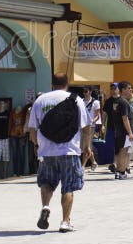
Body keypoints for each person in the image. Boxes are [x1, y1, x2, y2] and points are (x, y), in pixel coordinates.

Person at [28, 73, 92, 232]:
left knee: (47, 182)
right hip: (69, 150)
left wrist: (37, 145)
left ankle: (45, 206)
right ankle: (65, 221)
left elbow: (32, 129)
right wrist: (86, 146)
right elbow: (86, 127)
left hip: (47, 151)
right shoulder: (76, 100)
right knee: (68, 187)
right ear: (67, 83)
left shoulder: (40, 100)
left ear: (52, 83)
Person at [105, 82, 132, 179]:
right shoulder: (123, 102)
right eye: (129, 88)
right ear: (123, 90)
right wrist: (130, 133)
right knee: (123, 152)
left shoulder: (116, 102)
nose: (131, 90)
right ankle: (122, 172)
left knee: (119, 151)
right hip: (123, 131)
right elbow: (125, 119)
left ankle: (119, 172)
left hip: (118, 131)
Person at [81, 88, 100, 171]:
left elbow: (97, 115)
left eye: (86, 91)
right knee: (85, 146)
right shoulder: (81, 101)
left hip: (90, 126)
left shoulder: (95, 102)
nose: (85, 93)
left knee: (86, 146)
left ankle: (82, 166)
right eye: (84, 92)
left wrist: (92, 121)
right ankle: (94, 162)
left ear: (90, 92)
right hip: (82, 126)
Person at [9, 105, 27, 177]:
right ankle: (15, 172)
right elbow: (10, 123)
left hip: (22, 135)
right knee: (15, 154)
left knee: (22, 154)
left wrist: (24, 135)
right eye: (17, 108)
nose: (18, 109)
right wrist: (9, 133)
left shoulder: (23, 114)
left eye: (20, 108)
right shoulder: (12, 114)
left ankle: (22, 172)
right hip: (13, 135)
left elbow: (26, 124)